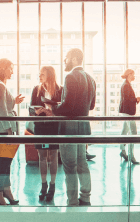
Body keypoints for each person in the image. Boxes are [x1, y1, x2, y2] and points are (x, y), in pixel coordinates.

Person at [39, 48, 96, 206]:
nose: (65, 61)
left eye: (67, 58)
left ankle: (72, 201)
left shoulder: (70, 76)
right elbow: (91, 106)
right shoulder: (91, 79)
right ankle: (85, 197)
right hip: (83, 126)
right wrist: (61, 105)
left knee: (69, 164)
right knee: (82, 162)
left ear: (75, 59)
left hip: (69, 127)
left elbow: (69, 105)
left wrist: (53, 109)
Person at [0, 58, 24, 205]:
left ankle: (6, 190)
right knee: (3, 163)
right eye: (10, 68)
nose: (12, 71)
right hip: (4, 130)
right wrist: (9, 131)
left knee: (6, 162)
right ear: (3, 69)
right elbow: (2, 111)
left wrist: (13, 101)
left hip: (3, 129)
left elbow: (2, 105)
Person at [30, 66, 62, 202]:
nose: (39, 76)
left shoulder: (60, 90)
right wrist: (35, 112)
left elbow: (63, 109)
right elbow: (31, 107)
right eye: (39, 74)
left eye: (42, 74)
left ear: (49, 75)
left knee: (53, 155)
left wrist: (53, 112)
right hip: (41, 126)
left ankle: (52, 186)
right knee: (42, 156)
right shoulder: (36, 90)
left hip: (54, 127)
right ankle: (43, 185)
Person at [119, 69, 140, 164]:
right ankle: (131, 155)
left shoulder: (126, 84)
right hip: (128, 112)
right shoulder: (126, 85)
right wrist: (136, 99)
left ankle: (123, 151)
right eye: (133, 74)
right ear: (129, 75)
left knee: (124, 131)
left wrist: (135, 99)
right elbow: (128, 99)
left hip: (126, 112)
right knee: (133, 133)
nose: (134, 76)